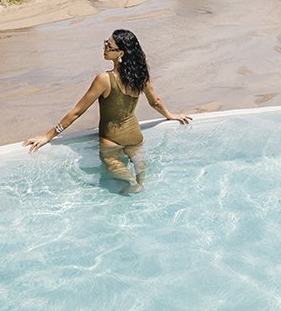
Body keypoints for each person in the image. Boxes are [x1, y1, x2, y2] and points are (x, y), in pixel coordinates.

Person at [24, 29, 190, 193]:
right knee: (139, 164)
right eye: (106, 44)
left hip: (112, 139)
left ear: (121, 53)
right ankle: (139, 182)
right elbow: (155, 101)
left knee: (112, 163)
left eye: (109, 47)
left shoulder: (104, 79)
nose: (104, 49)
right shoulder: (141, 76)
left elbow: (77, 112)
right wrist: (170, 115)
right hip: (135, 136)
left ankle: (132, 183)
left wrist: (48, 136)